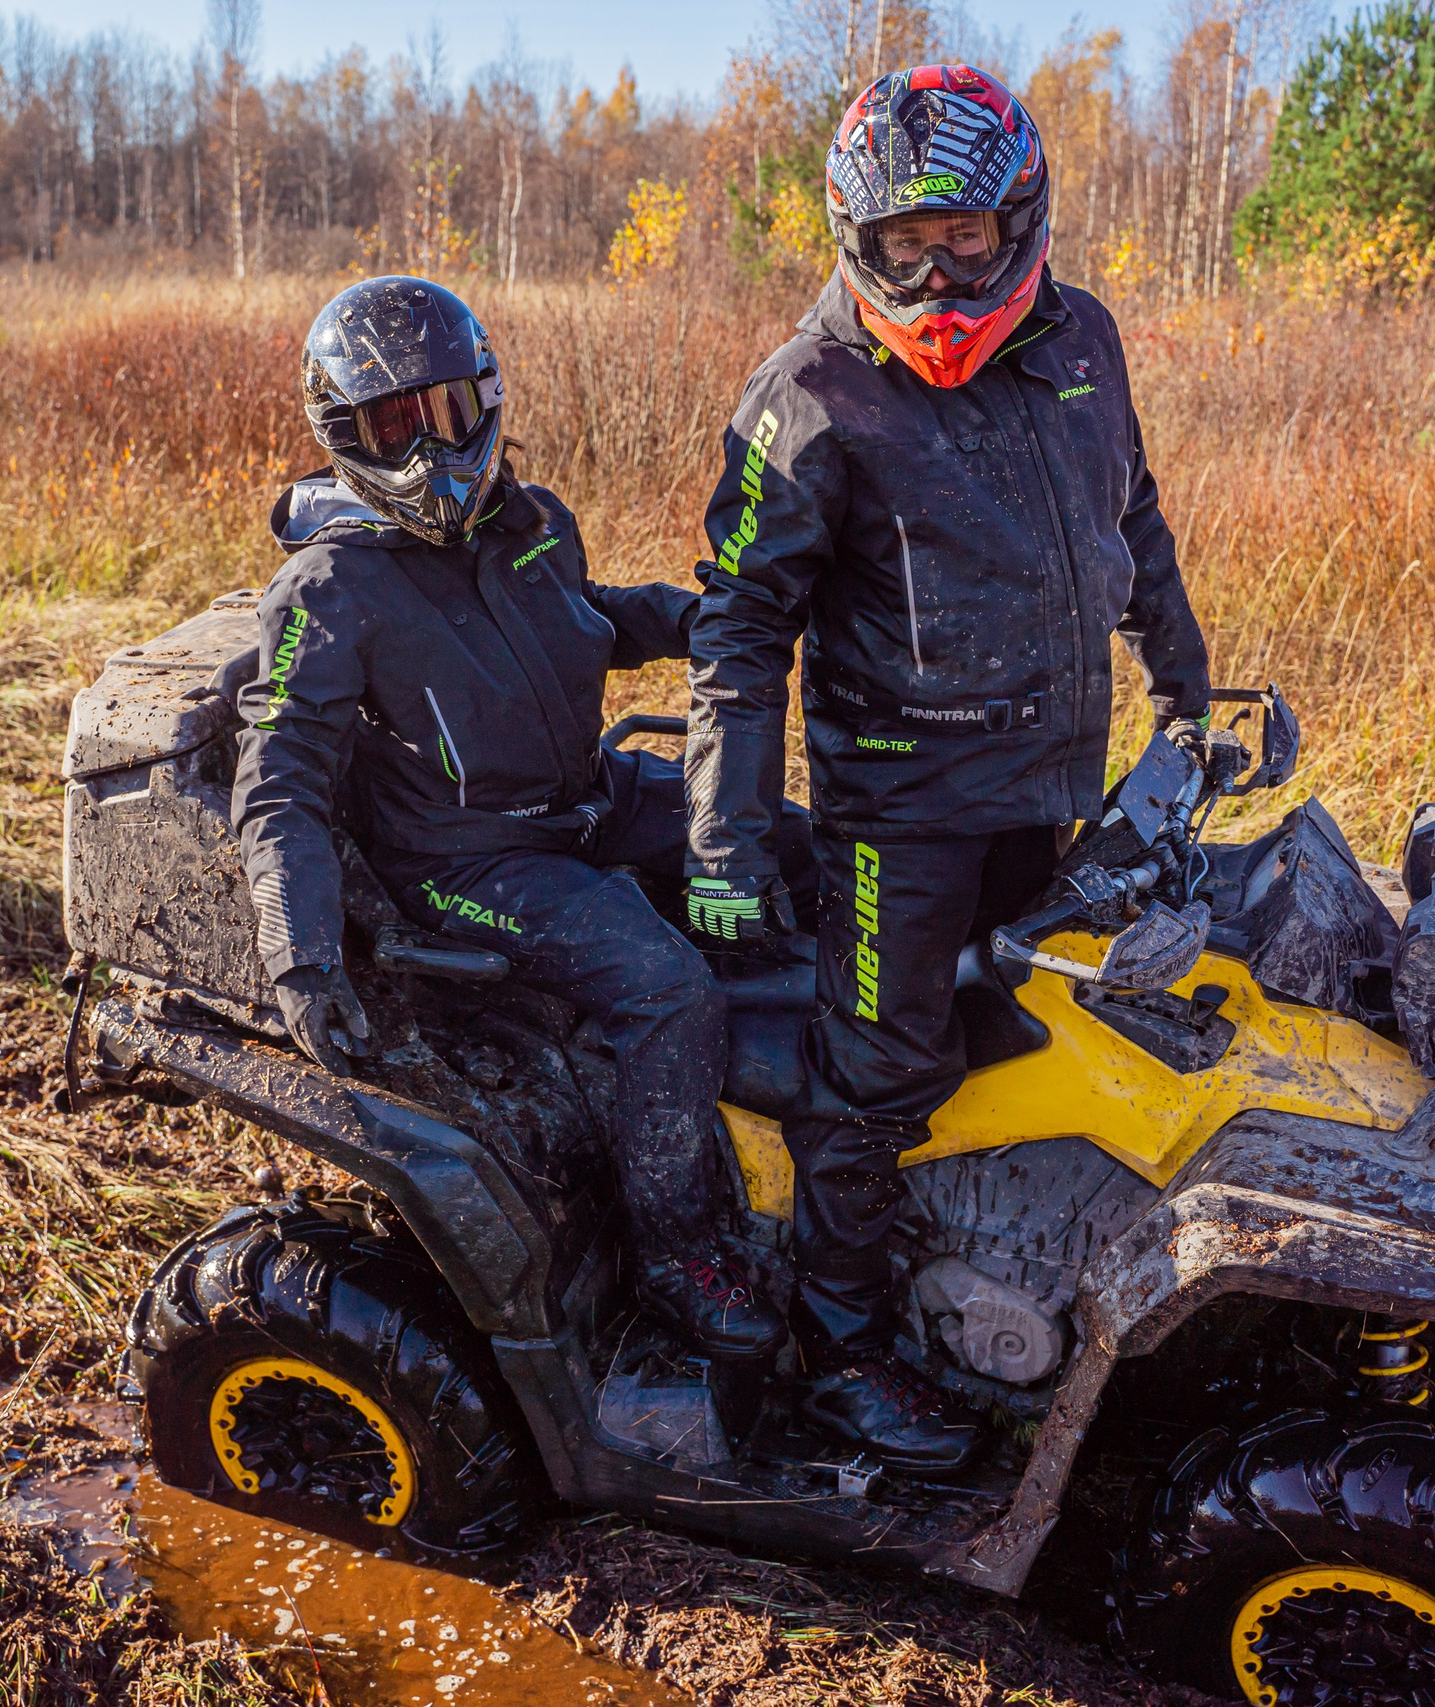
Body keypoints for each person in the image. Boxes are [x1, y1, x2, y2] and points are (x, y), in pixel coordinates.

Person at [683, 66, 1218, 1469]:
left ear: (1018, 218)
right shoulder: (809, 392)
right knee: (881, 1071)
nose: (933, 269)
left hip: (1055, 780)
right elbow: (737, 629)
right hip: (897, 812)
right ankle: (839, 1344)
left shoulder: (1083, 341)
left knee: (1035, 1040)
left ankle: (998, 1282)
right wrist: (728, 837)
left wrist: (1189, 680)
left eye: (962, 236)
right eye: (902, 241)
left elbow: (1134, 519)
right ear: (856, 238)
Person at [232, 275, 797, 1363]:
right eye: (387, 428)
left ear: (484, 399)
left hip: (584, 799)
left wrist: (702, 616)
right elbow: (282, 774)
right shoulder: (327, 589)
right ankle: (680, 1255)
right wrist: (297, 951)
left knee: (788, 837)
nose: (422, 453)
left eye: (440, 415)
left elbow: (590, 622)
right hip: (464, 858)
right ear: (339, 437)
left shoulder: (532, 521)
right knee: (662, 986)